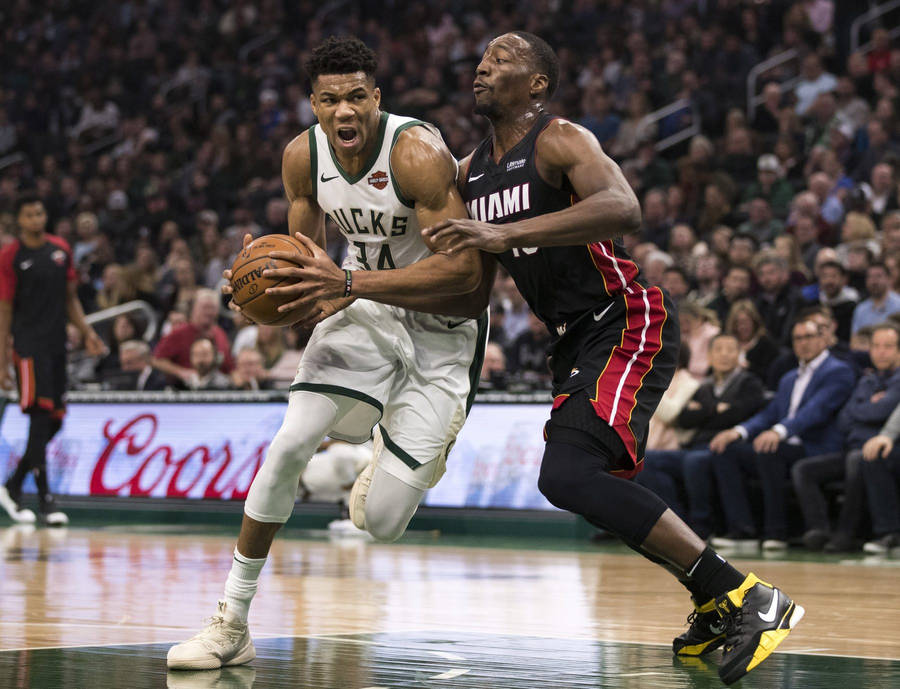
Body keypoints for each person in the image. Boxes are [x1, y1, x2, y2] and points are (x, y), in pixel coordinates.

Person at [422, 31, 803, 686]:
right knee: (579, 480)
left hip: (626, 318)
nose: (483, 67)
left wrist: (506, 231)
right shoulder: (469, 171)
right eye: (481, 59)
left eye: (503, 59)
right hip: (573, 337)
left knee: (568, 474)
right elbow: (466, 277)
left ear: (538, 83)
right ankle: (717, 597)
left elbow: (621, 205)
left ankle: (745, 596)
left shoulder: (559, 138)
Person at [168, 37, 487, 671]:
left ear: (378, 98)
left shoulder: (417, 154)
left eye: (357, 97)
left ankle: (393, 449)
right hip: (360, 309)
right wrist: (265, 293)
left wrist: (347, 282)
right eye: (330, 99)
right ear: (313, 102)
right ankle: (231, 621)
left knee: (382, 522)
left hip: (441, 327)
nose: (345, 112)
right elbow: (302, 264)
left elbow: (470, 280)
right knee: (289, 443)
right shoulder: (301, 158)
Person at [0, 193, 105, 526]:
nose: (36, 219)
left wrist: (86, 332)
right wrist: (3, 359)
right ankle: (45, 498)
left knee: (55, 419)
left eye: (40, 212)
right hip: (28, 347)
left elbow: (71, 299)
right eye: (29, 214)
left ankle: (12, 487)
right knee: (40, 417)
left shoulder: (61, 249)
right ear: (19, 220)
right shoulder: (10, 257)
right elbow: (3, 310)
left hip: (58, 345)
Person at [709, 318, 856, 549]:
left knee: (770, 450)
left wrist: (779, 431)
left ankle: (776, 532)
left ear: (823, 339)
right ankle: (742, 530)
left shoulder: (838, 371)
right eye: (798, 338)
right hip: (788, 445)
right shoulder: (789, 378)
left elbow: (816, 410)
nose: (803, 343)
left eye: (809, 337)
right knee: (726, 450)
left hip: (818, 448)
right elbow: (770, 413)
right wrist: (737, 432)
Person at [639, 334, 766, 539]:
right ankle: (675, 522)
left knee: (694, 461)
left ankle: (701, 527)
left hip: (725, 449)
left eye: (730, 349)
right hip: (695, 446)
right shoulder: (704, 386)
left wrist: (704, 412)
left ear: (739, 355)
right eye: (718, 349)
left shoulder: (750, 382)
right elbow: (684, 418)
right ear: (709, 355)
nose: (724, 354)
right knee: (648, 460)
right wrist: (716, 410)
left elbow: (740, 412)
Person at [791, 323, 900, 551]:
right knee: (803, 469)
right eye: (876, 346)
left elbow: (882, 411)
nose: (881, 351)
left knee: (858, 459)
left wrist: (867, 409)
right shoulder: (867, 380)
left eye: (888, 346)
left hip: (888, 450)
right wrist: (870, 409)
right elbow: (844, 419)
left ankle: (846, 533)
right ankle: (819, 529)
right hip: (852, 448)